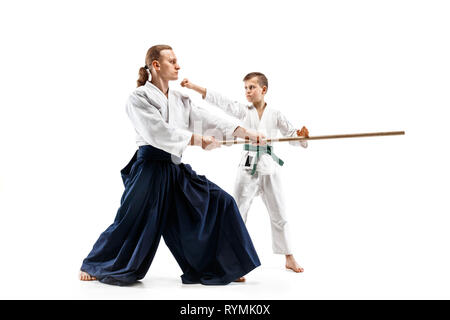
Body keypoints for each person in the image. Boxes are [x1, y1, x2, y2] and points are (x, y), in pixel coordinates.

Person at [79, 45, 265, 286]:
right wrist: (197, 140)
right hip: (149, 169)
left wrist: (244, 132)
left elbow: (204, 118)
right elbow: (157, 132)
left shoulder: (179, 98)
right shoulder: (139, 98)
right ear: (156, 65)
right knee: (131, 220)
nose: (178, 66)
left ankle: (221, 266)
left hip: (174, 170)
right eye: (172, 61)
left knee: (221, 202)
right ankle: (94, 263)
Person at [181, 72, 309, 273]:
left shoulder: (275, 114)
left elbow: (292, 136)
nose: (247, 92)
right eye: (246, 88)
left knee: (279, 212)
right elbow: (221, 102)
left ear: (263, 90)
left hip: (269, 167)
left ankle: (289, 257)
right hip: (247, 166)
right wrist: (194, 87)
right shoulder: (243, 111)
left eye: (252, 87)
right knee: (238, 212)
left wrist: (301, 137)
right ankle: (232, 261)